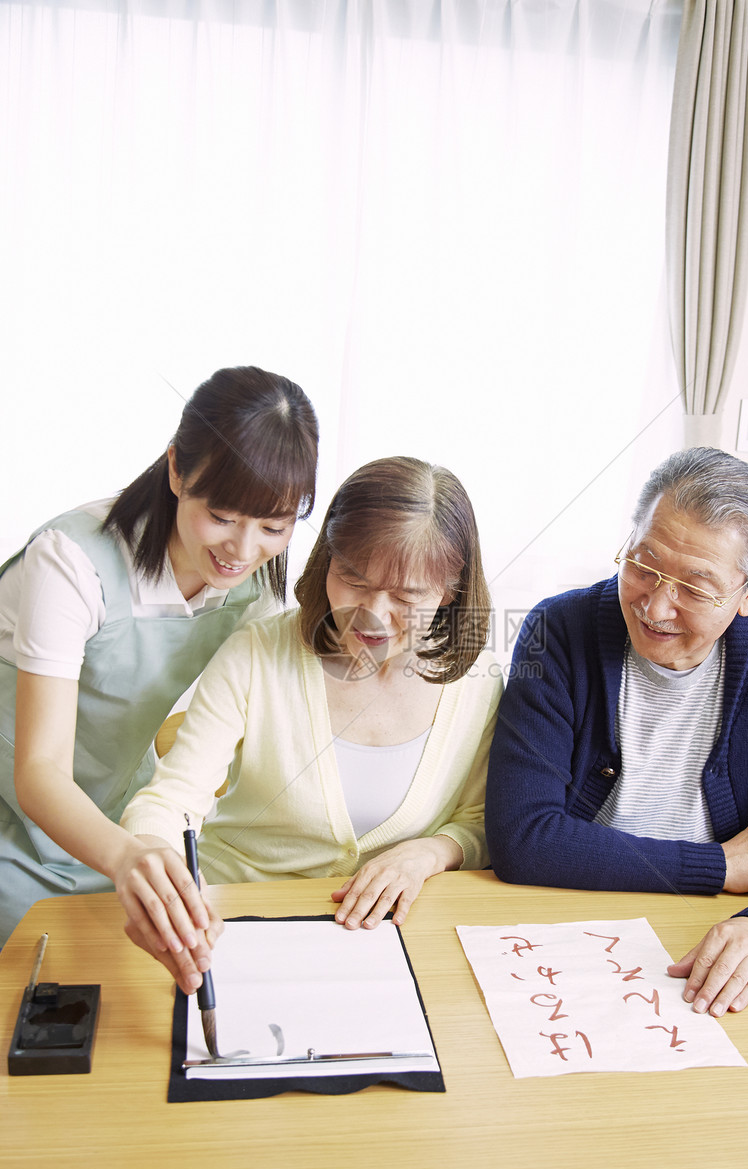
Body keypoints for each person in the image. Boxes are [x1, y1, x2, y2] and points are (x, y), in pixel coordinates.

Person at [486, 446, 748, 1169]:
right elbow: (525, 836)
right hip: (572, 943)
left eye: (693, 588)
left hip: (717, 949)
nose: (655, 605)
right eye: (642, 565)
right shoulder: (558, 631)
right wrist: (716, 868)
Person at [120, 455, 503, 993]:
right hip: (231, 929)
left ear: (449, 591)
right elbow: (169, 800)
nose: (371, 613)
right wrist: (157, 868)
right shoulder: (257, 653)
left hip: (390, 945)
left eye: (406, 596)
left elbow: (484, 820)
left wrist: (429, 852)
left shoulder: (477, 683)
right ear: (327, 561)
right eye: (353, 578)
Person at [0, 365, 319, 953]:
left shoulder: (257, 584)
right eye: (221, 517)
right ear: (176, 469)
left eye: (274, 526)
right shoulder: (72, 564)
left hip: (124, 809)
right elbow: (39, 771)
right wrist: (126, 856)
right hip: (17, 816)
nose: (242, 551)